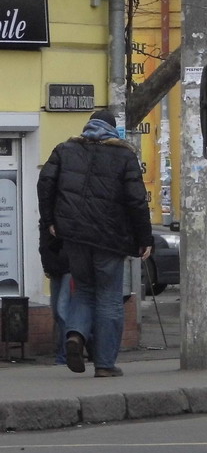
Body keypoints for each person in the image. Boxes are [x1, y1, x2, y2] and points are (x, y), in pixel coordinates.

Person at [37, 110, 153, 378]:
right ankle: (104, 363)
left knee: (84, 291)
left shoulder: (65, 149)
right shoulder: (124, 155)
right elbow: (137, 200)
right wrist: (144, 239)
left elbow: (45, 184)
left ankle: (75, 336)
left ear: (88, 126)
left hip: (74, 235)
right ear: (113, 130)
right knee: (110, 298)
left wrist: (51, 221)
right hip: (110, 239)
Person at [38, 222, 70, 366]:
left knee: (62, 310)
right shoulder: (46, 220)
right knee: (57, 312)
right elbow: (43, 246)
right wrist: (47, 266)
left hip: (70, 267)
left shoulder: (68, 212)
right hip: (55, 267)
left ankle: (64, 356)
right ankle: (68, 349)